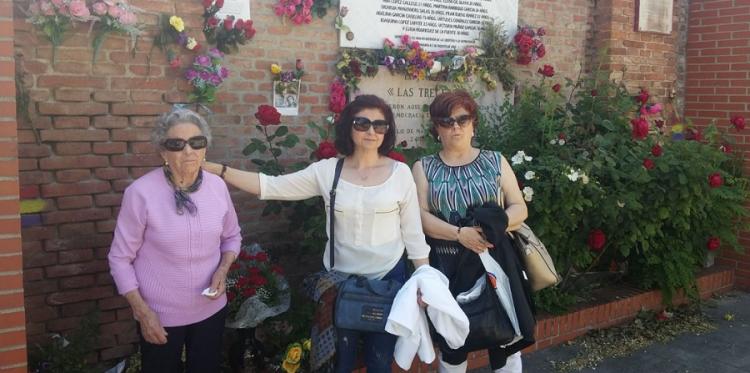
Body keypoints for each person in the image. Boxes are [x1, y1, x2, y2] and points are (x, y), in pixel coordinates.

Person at [203, 95, 430, 372]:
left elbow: (414, 235)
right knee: (340, 362)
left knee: (379, 361)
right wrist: (221, 171)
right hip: (339, 284)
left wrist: (424, 282)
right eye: (363, 123)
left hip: (387, 282)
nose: (371, 131)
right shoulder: (327, 171)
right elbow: (272, 187)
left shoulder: (400, 173)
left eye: (380, 125)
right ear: (349, 126)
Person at [108, 108, 242, 373]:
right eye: (176, 144)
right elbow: (120, 258)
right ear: (163, 152)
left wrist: (223, 269)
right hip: (160, 315)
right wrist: (143, 313)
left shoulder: (217, 187)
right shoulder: (141, 193)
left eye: (196, 142)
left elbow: (232, 236)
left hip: (211, 309)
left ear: (205, 148)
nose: (188, 151)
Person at [411, 90, 531, 373]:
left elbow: (519, 207)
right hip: (449, 265)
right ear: (436, 127)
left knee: (505, 340)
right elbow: (420, 216)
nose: (455, 126)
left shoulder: (495, 161)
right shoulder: (424, 167)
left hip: (497, 262)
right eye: (446, 120)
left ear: (473, 123)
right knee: (454, 344)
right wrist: (459, 233)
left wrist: (490, 228)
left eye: (463, 119)